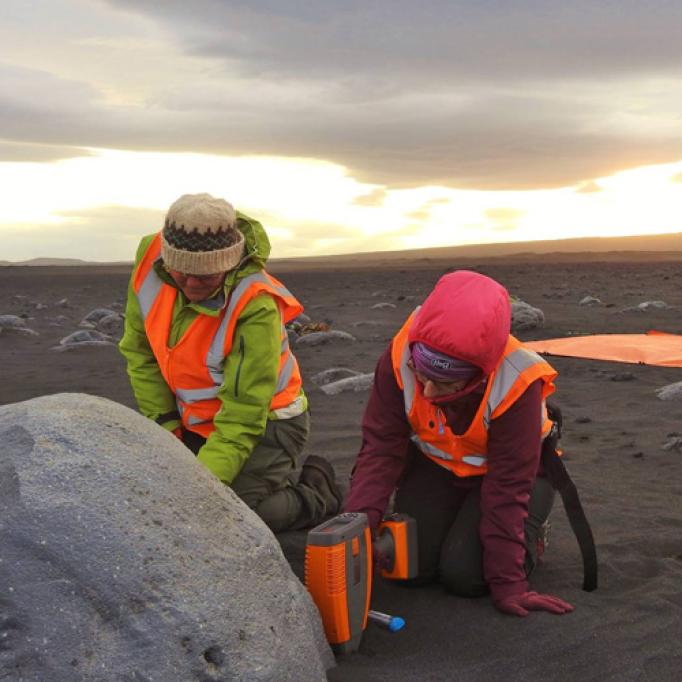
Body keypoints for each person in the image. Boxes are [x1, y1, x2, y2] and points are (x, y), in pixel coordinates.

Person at [343, 270, 577, 617]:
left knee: (466, 577)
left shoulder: (516, 381)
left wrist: (509, 584)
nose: (427, 392)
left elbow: (507, 489)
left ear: (479, 375)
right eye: (422, 375)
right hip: (439, 466)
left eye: (445, 384)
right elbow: (381, 448)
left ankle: (533, 533)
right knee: (407, 567)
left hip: (512, 478)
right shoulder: (397, 358)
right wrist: (359, 526)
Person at [119, 193, 342, 532]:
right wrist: (165, 424)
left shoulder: (256, 307)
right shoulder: (151, 258)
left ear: (229, 262)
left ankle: (315, 495)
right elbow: (140, 352)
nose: (192, 284)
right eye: (181, 273)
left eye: (207, 277)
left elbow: (242, 416)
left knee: (228, 515)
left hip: (269, 422)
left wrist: (200, 490)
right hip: (194, 417)